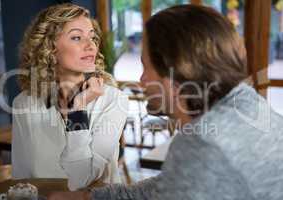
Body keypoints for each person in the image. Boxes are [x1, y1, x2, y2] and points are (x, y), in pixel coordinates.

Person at [48, 4, 283, 200]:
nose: (141, 81)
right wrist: (92, 197)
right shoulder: (247, 103)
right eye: (76, 37)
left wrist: (77, 112)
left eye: (145, 66)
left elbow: (80, 176)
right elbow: (170, 186)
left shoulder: (203, 145)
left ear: (174, 71)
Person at [12, 3, 128, 191]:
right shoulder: (23, 103)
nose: (90, 45)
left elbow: (82, 179)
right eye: (76, 37)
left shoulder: (113, 100)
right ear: (49, 47)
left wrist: (78, 108)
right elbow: (21, 175)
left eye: (92, 37)